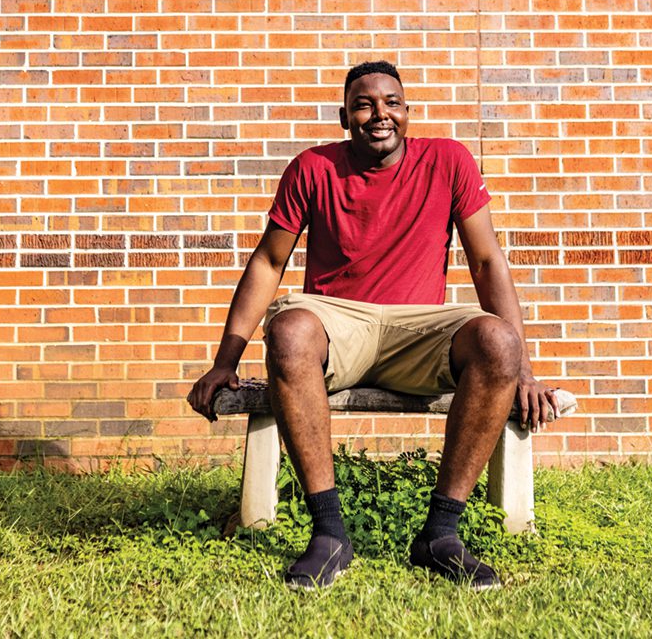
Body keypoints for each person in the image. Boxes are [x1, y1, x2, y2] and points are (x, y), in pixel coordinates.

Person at [187, 60, 558, 590]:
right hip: (339, 323)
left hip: (420, 329)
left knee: (497, 341)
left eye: (392, 103)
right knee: (290, 329)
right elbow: (269, 263)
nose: (379, 114)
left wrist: (522, 366)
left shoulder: (449, 160)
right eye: (364, 104)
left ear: (407, 113)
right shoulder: (312, 168)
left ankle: (442, 535)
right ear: (344, 116)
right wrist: (225, 361)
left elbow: (486, 263)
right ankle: (329, 533)